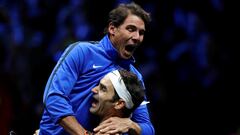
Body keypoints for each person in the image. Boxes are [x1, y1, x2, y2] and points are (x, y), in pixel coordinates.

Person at [39, 2, 154, 135]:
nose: (137, 37)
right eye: (131, 29)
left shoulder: (134, 77)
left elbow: (148, 128)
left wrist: (131, 124)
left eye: (141, 32)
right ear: (112, 29)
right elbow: (53, 98)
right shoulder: (82, 52)